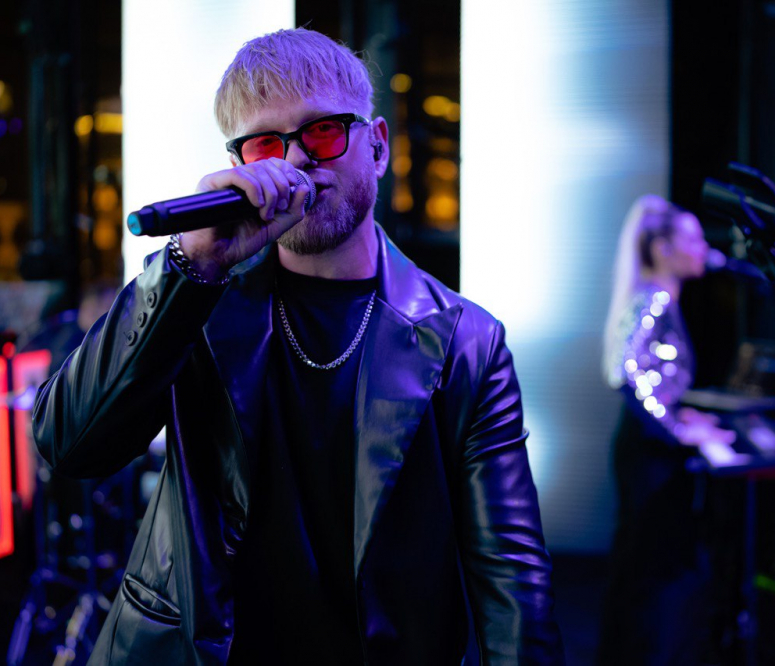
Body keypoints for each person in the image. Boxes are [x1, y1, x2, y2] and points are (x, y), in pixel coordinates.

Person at [33, 28, 562, 665]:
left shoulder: (465, 341)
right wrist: (190, 264)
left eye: (324, 131)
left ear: (377, 146)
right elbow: (69, 444)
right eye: (266, 144)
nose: (297, 159)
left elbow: (511, 579)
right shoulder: (198, 300)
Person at [596, 195, 733, 665]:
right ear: (661, 249)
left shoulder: (658, 299)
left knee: (641, 568)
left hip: (645, 446)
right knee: (651, 574)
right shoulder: (654, 299)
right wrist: (676, 428)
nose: (704, 248)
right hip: (649, 456)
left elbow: (651, 377)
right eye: (692, 239)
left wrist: (683, 417)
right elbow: (626, 369)